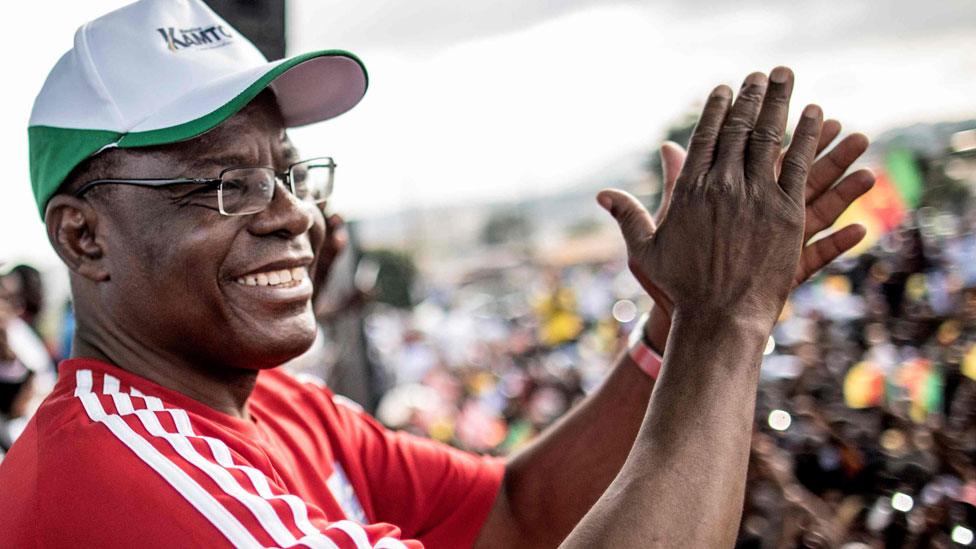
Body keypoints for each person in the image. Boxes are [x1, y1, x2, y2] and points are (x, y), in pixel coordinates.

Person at [0, 0, 875, 547]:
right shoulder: (130, 480)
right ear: (85, 239)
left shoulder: (280, 408)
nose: (292, 214)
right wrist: (727, 327)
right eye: (227, 184)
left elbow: (520, 517)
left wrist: (677, 325)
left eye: (290, 174)